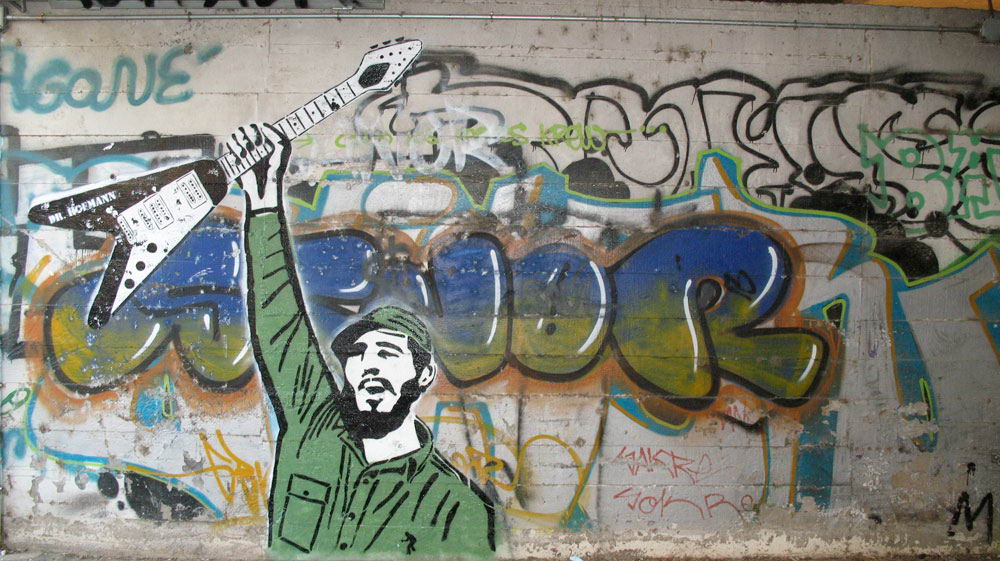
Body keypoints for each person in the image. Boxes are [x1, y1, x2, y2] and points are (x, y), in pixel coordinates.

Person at [230, 123, 496, 558]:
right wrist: (262, 200)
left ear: (423, 374)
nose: (369, 364)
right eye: (358, 354)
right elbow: (279, 323)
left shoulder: (454, 506)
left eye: (387, 352)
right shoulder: (314, 427)